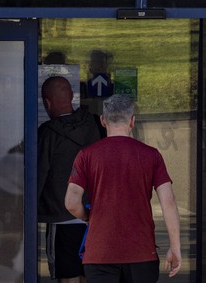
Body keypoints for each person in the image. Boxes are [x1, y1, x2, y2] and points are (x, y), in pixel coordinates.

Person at [65, 94, 182, 283]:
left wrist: (88, 217)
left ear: (103, 121)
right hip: (141, 252)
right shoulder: (151, 155)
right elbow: (168, 202)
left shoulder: (86, 155)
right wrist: (175, 247)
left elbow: (71, 203)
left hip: (100, 253)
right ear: (132, 121)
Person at [38, 75, 104, 283]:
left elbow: (39, 175)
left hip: (62, 216)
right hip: (95, 217)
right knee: (90, 274)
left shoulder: (48, 133)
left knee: (67, 276)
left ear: (47, 103)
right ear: (72, 97)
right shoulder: (95, 124)